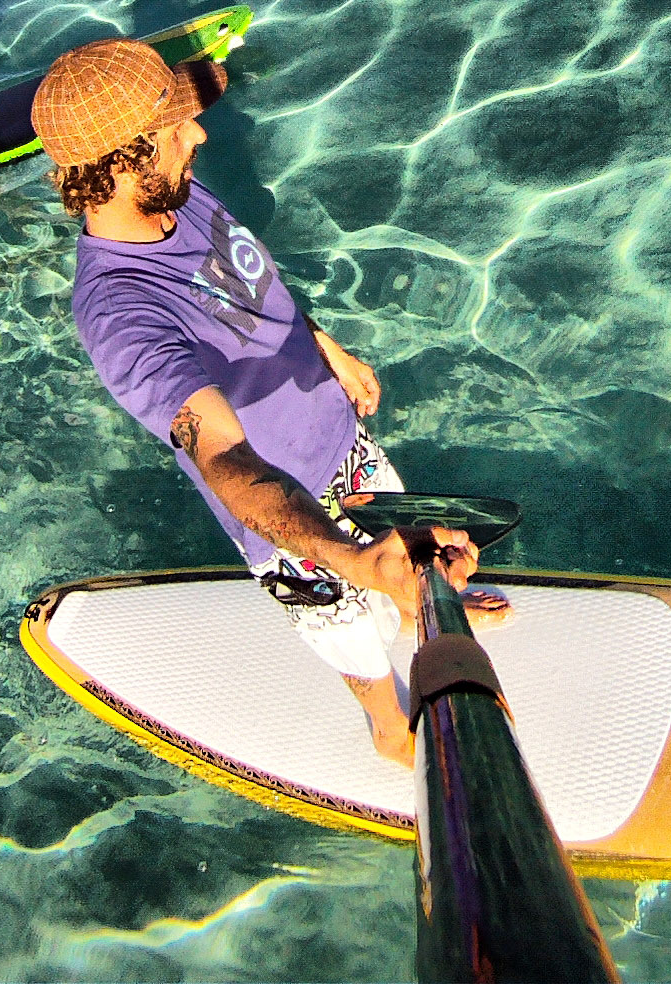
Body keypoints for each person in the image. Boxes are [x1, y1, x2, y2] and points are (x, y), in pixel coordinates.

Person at [32, 38, 507, 766]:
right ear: (122, 161)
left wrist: (324, 346)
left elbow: (251, 291)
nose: (199, 134)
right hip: (288, 520)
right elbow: (220, 455)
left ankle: (422, 612)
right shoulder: (120, 311)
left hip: (341, 442)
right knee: (349, 631)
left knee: (410, 561)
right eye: (175, 127)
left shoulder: (178, 195)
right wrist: (345, 560)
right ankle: (388, 728)